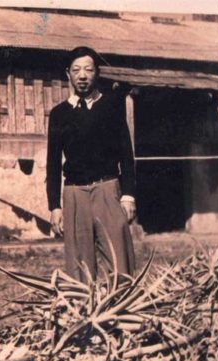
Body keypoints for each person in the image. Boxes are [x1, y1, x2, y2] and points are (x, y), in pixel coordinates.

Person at [46, 46, 136, 284]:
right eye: (76, 70)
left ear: (97, 73)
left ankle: (121, 315)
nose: (82, 75)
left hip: (107, 189)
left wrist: (128, 195)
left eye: (88, 69)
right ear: (68, 74)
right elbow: (52, 162)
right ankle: (85, 317)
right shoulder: (59, 114)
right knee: (79, 266)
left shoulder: (112, 106)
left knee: (119, 261)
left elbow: (126, 153)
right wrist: (54, 205)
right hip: (74, 194)